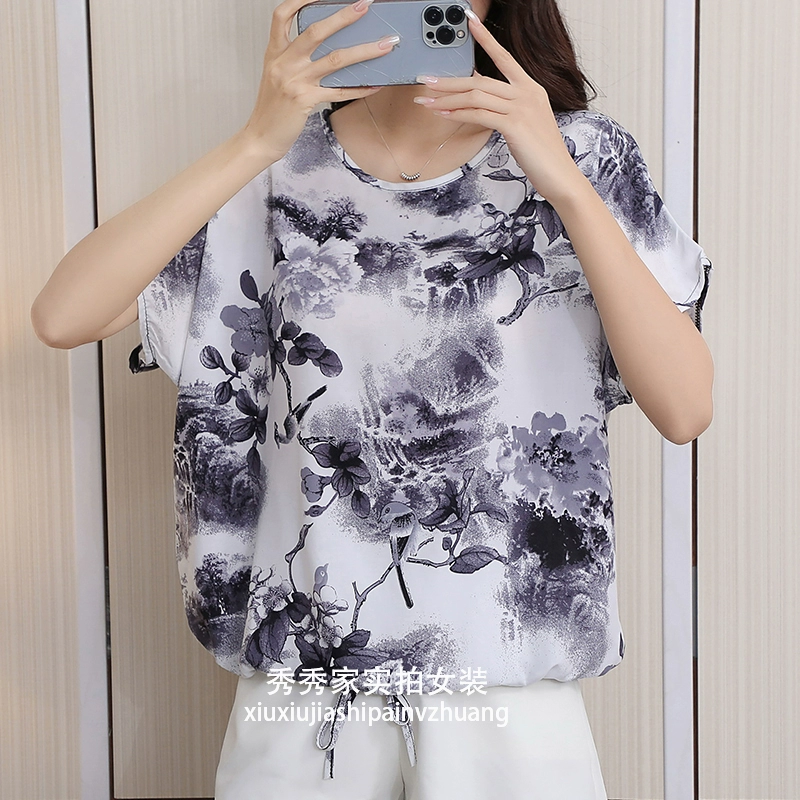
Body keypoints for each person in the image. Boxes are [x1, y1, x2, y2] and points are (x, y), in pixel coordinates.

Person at [31, 0, 714, 797]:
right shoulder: (277, 168)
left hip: (504, 684)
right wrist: (254, 141)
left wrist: (564, 183)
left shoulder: (583, 155)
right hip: (304, 691)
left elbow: (685, 407)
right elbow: (63, 316)